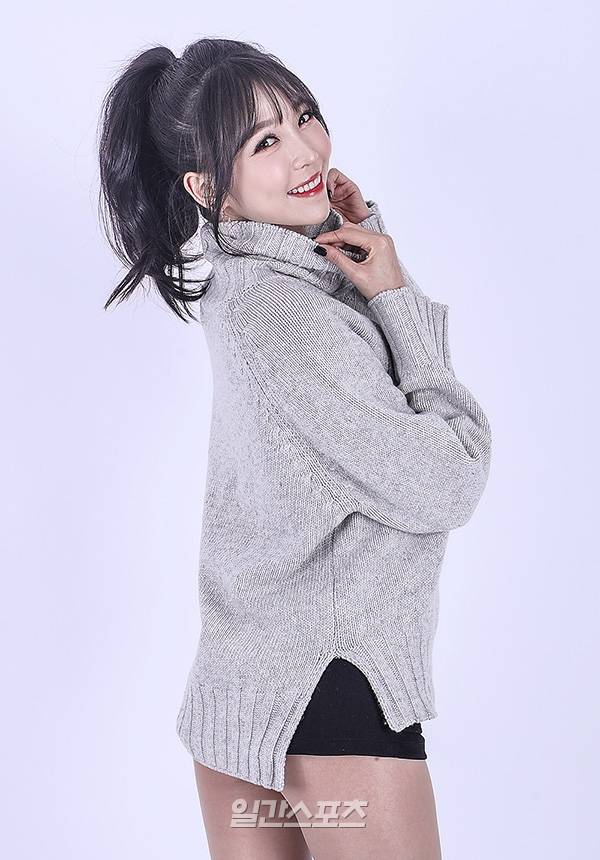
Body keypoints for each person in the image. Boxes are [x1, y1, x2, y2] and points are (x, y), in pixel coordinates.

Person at [97, 37, 492, 860]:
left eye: (304, 116)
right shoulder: (284, 314)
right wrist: (397, 298)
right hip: (334, 691)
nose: (307, 151)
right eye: (265, 142)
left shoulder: (255, 287)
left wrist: (359, 243)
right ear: (206, 187)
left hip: (243, 699)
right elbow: (448, 479)